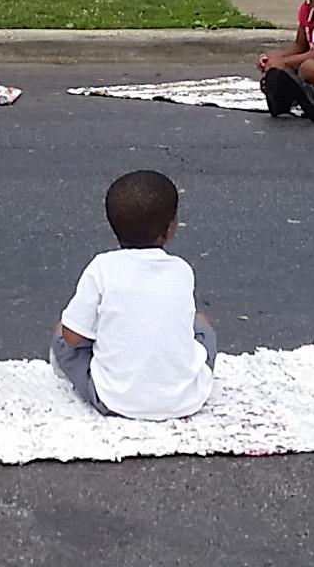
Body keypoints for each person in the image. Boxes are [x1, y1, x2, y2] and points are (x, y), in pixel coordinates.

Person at [51, 170, 216, 420]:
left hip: (114, 400)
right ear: (170, 228)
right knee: (203, 326)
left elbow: (72, 337)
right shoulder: (182, 270)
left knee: (61, 333)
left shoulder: (102, 267)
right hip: (186, 400)